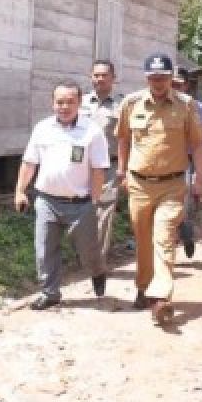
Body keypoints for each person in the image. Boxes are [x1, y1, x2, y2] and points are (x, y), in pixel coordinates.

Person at [115, 54, 202, 325]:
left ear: (171, 78)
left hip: (173, 184)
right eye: (153, 78)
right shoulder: (131, 103)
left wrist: (199, 178)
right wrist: (121, 170)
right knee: (143, 239)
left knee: (164, 237)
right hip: (139, 183)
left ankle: (161, 295)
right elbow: (123, 138)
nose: (158, 83)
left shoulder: (186, 106)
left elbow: (198, 144)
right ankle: (144, 287)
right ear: (146, 78)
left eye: (163, 78)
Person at [15, 81, 110, 310]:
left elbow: (98, 169)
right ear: (52, 103)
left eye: (70, 102)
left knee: (88, 251)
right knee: (45, 249)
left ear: (79, 103)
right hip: (47, 200)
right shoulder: (42, 128)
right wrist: (20, 191)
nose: (64, 107)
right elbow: (29, 162)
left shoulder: (91, 132)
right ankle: (50, 292)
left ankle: (97, 272)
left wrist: (95, 201)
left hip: (81, 203)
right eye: (60, 102)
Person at [80, 59, 124, 272]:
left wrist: (124, 168)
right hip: (81, 167)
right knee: (81, 212)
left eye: (104, 75)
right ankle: (84, 256)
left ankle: (96, 263)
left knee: (103, 214)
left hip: (109, 167)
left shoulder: (122, 105)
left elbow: (127, 138)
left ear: (113, 78)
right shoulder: (81, 103)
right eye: (95, 75)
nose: (99, 79)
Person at [171, 68, 202, 259]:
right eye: (172, 84)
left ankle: (185, 231)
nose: (175, 88)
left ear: (187, 85)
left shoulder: (195, 107)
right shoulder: (159, 104)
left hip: (186, 162)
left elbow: (200, 141)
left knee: (182, 205)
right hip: (163, 164)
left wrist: (198, 173)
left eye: (179, 84)